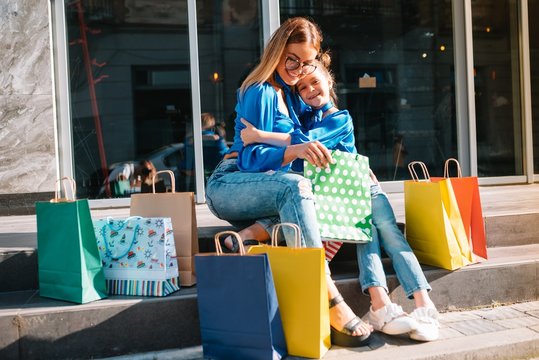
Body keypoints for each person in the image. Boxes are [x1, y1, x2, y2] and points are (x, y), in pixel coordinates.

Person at [239, 60, 440, 342]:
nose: (309, 90)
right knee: (366, 241)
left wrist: (259, 136)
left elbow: (306, 142)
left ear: (329, 83)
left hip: (365, 190)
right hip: (344, 197)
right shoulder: (308, 117)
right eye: (302, 87)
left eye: (315, 83)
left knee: (391, 238)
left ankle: (424, 307)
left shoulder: (339, 117)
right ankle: (380, 306)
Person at [205, 17, 372, 347]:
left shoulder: (296, 94)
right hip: (231, 182)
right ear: (277, 51)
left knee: (312, 187)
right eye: (292, 59)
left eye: (307, 62)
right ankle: (330, 297)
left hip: (272, 188)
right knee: (296, 187)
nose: (298, 69)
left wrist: (353, 163)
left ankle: (248, 236)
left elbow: (319, 131)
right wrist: (294, 148)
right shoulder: (259, 91)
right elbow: (251, 160)